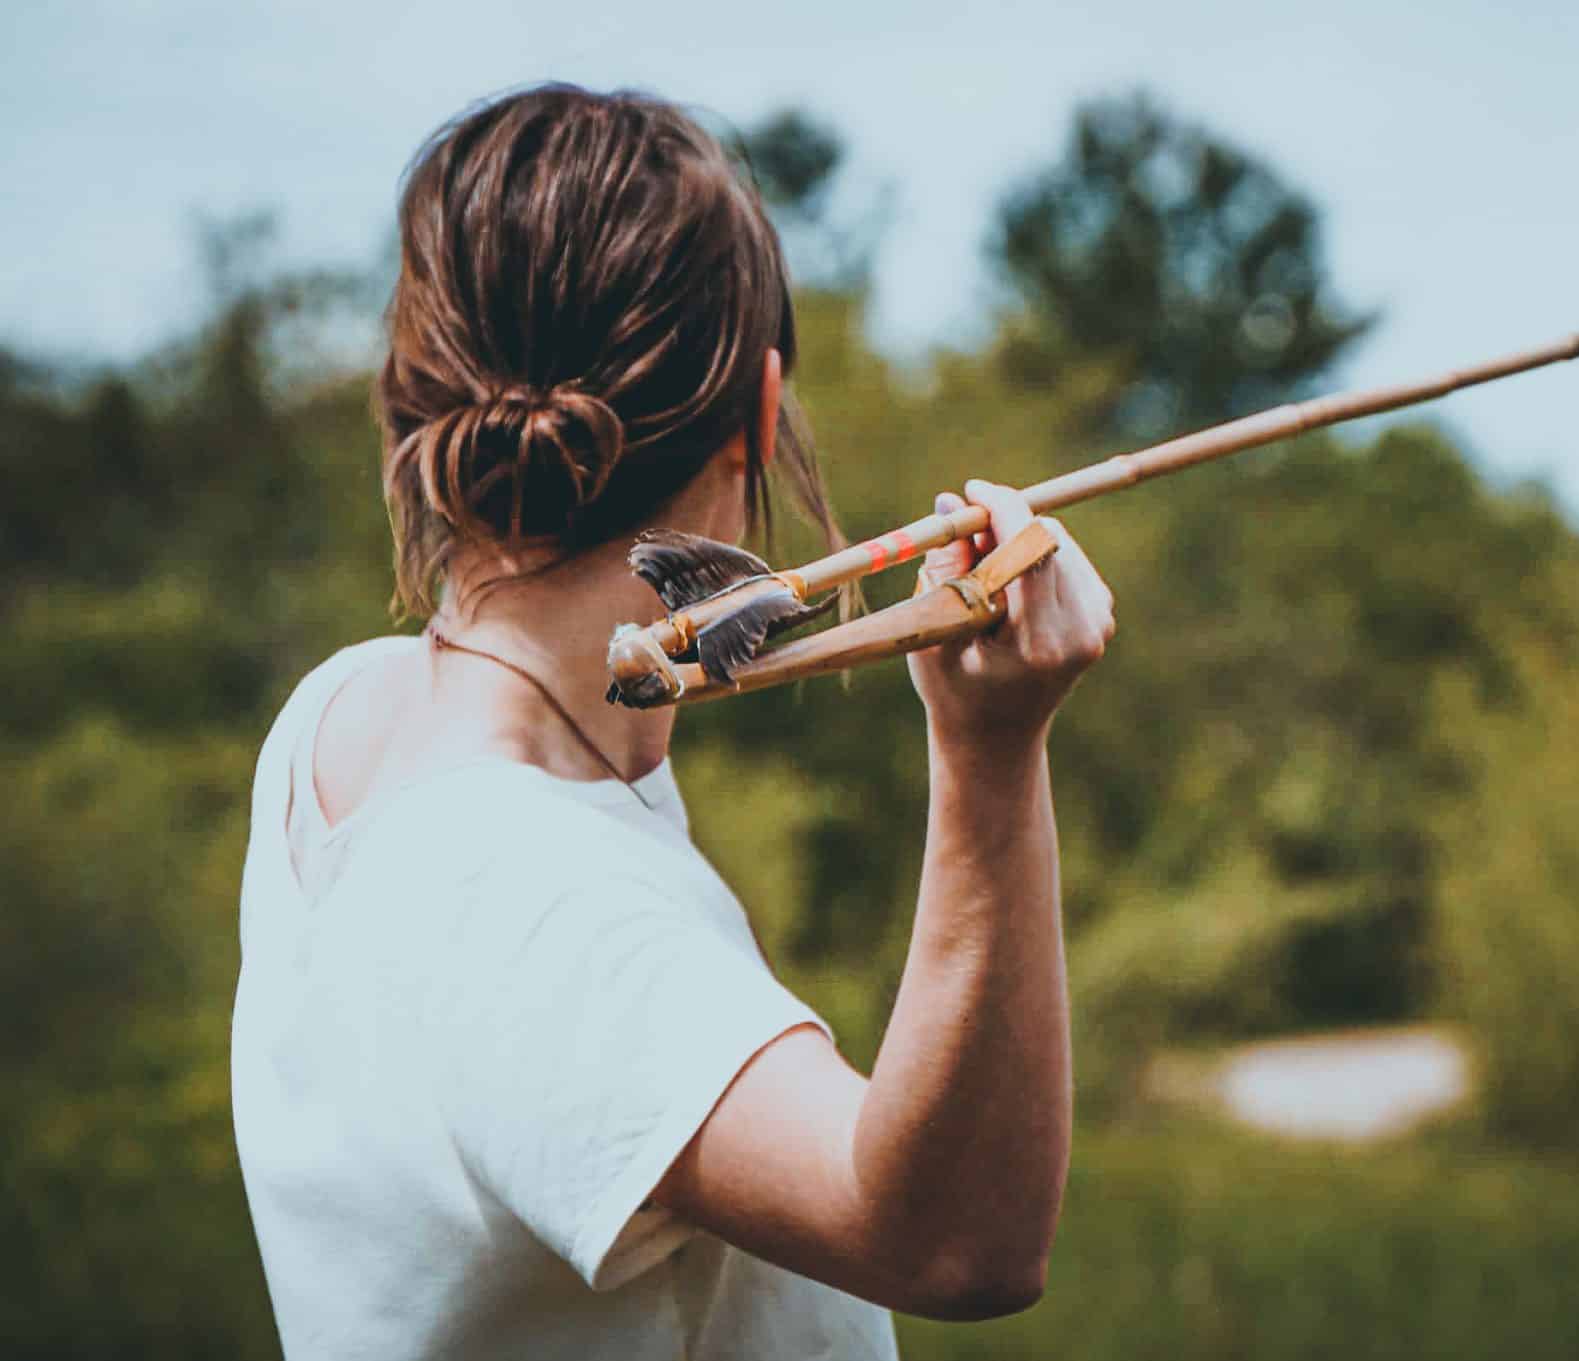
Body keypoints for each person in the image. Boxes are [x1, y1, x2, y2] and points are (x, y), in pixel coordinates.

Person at [231, 83, 1115, 1360]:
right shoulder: (541, 912)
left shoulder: (342, 715)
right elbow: (954, 1238)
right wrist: (990, 756)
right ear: (759, 409)